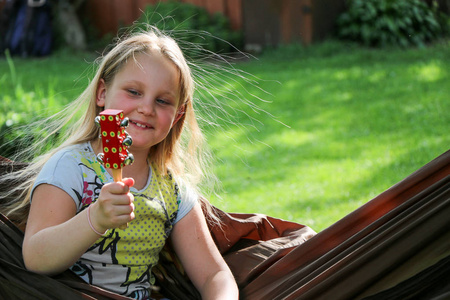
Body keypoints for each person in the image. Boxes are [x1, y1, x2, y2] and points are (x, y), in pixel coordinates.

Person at [2, 28, 239, 299]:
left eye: (163, 101)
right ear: (102, 93)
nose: (147, 108)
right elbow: (36, 257)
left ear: (177, 115)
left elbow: (214, 274)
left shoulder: (172, 190)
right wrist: (96, 218)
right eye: (134, 92)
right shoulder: (70, 167)